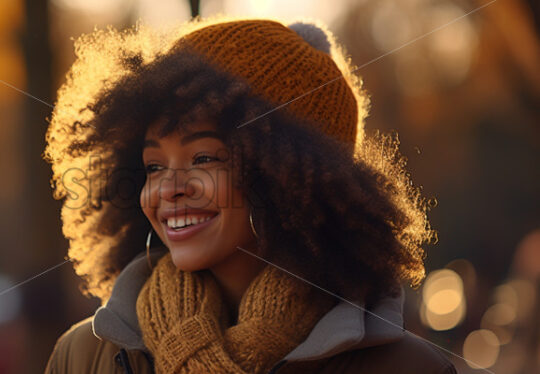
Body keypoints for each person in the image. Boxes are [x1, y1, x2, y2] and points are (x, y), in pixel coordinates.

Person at [42, 14, 457, 374]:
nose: (168, 188)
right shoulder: (83, 358)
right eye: (153, 166)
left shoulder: (411, 370)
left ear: (286, 178)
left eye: (203, 158)